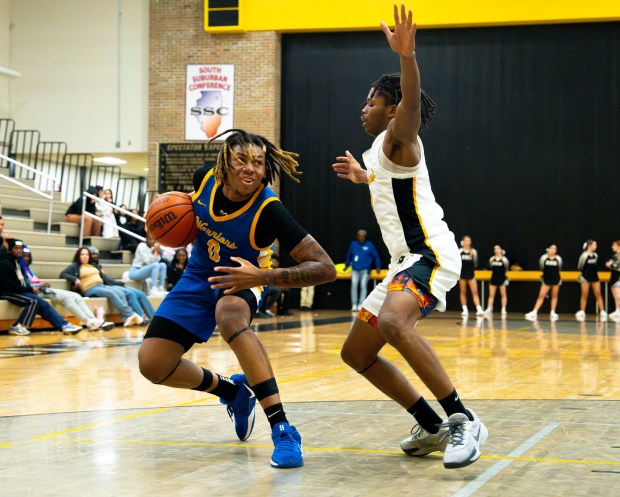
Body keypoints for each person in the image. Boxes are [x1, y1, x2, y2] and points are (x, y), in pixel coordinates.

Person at [331, 4, 487, 469]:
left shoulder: (402, 136)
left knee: (397, 325)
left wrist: (407, 57)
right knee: (356, 352)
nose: (364, 107)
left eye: (371, 101)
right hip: (403, 262)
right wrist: (365, 179)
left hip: (430, 253)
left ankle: (462, 419)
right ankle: (431, 425)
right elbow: (392, 183)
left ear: (392, 108)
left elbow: (412, 106)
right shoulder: (379, 152)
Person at [138, 129, 336, 469]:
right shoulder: (204, 180)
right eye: (241, 160)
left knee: (229, 317)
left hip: (243, 278)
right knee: (152, 364)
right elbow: (187, 210)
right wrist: (164, 224)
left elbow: (325, 268)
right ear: (224, 164)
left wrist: (262, 277)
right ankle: (231, 392)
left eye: (258, 162)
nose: (251, 168)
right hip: (198, 275)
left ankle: (283, 429)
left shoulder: (269, 209)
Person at [20, 245, 114, 331]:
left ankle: (93, 319)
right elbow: (25, 285)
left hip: (42, 289)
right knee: (67, 298)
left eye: (28, 256)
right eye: (24, 256)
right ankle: (88, 322)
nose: (26, 258)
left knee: (76, 296)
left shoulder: (28, 269)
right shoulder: (19, 268)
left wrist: (42, 285)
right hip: (35, 292)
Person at [0, 239, 83, 336]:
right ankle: (18, 326)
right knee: (34, 301)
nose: (19, 250)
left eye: (20, 248)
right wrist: (30, 289)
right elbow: (8, 285)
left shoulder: (17, 263)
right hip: (6, 293)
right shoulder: (5, 263)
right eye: (16, 248)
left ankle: (64, 325)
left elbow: (20, 283)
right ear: (10, 250)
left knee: (42, 303)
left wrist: (34, 288)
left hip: (17, 291)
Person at [60, 247, 144, 327]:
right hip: (90, 288)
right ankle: (130, 314)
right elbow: (62, 274)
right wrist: (75, 279)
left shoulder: (93, 265)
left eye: (87, 254)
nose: (85, 256)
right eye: (82, 254)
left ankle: (126, 317)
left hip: (101, 285)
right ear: (78, 256)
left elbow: (105, 278)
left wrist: (119, 282)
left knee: (119, 292)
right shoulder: (75, 266)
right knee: (110, 293)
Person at [89, 246, 156, 324]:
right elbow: (106, 281)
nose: (95, 256)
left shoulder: (98, 265)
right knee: (130, 293)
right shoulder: (92, 267)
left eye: (96, 254)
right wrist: (119, 283)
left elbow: (107, 279)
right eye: (93, 254)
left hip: (113, 285)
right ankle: (141, 317)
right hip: (109, 286)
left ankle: (154, 318)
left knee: (141, 293)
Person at [345, 229, 382, 312]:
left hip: (365, 270)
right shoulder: (353, 244)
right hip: (355, 269)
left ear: (365, 237)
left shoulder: (370, 245)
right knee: (354, 285)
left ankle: (360, 304)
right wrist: (346, 265)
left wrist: (378, 266)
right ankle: (354, 304)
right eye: (359, 236)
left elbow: (376, 256)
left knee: (363, 286)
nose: (361, 237)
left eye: (363, 236)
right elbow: (349, 255)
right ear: (357, 236)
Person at [525, 244, 563, 322]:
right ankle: (534, 311)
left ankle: (553, 312)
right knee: (541, 295)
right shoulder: (543, 258)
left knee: (554, 295)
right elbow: (542, 267)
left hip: (556, 279)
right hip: (546, 279)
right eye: (551, 248)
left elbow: (559, 268)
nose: (553, 250)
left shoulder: (558, 258)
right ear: (548, 249)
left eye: (555, 249)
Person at [576, 239, 607, 322]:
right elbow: (579, 266)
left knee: (598, 293)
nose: (596, 246)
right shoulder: (584, 255)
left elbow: (596, 265)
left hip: (594, 277)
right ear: (590, 246)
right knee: (584, 294)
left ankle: (602, 311)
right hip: (585, 277)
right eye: (594, 245)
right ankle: (582, 311)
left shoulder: (595, 255)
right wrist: (585, 274)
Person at [458, 235, 484, 317]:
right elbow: (457, 263)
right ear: (463, 242)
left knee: (475, 292)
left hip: (471, 274)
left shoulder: (473, 252)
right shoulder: (459, 251)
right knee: (463, 292)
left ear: (470, 242)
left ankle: (479, 309)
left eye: (469, 240)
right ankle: (465, 309)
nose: (467, 242)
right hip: (462, 275)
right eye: (465, 240)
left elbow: (475, 264)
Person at [484, 245, 509, 317]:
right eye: (495, 249)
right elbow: (490, 267)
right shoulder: (492, 259)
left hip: (502, 278)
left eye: (498, 248)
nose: (496, 250)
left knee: (503, 294)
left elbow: (506, 268)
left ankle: (503, 309)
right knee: (491, 295)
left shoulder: (504, 260)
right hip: (493, 278)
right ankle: (489, 308)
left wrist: (505, 278)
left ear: (501, 250)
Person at [606, 240, 620, 320]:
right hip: (613, 276)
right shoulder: (615, 255)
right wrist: (610, 265)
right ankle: (617, 310)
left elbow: (617, 266)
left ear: (618, 246)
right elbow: (613, 264)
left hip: (618, 276)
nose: (612, 247)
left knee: (618, 295)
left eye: (614, 245)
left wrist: (612, 265)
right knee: (615, 295)